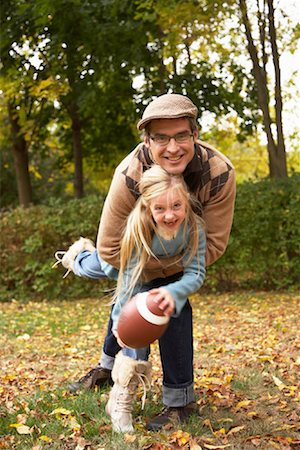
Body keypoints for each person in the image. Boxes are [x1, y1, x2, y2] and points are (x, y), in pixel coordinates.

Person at [59, 93, 236, 430]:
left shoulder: (219, 173)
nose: (172, 147)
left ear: (195, 135)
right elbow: (112, 251)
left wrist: (163, 287)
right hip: (129, 253)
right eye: (161, 138)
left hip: (176, 255)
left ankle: (179, 402)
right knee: (100, 266)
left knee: (171, 304)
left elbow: (212, 247)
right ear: (147, 141)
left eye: (181, 135)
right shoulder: (129, 174)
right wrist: (140, 293)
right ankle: (76, 258)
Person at [58, 165, 206, 432]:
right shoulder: (138, 228)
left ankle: (131, 391)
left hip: (164, 271)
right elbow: (127, 285)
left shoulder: (194, 228)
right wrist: (119, 325)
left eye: (176, 206)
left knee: (147, 313)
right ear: (147, 209)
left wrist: (172, 292)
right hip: (123, 264)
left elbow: (196, 273)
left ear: (186, 203)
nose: (170, 215)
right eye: (159, 209)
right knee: (100, 266)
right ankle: (77, 255)